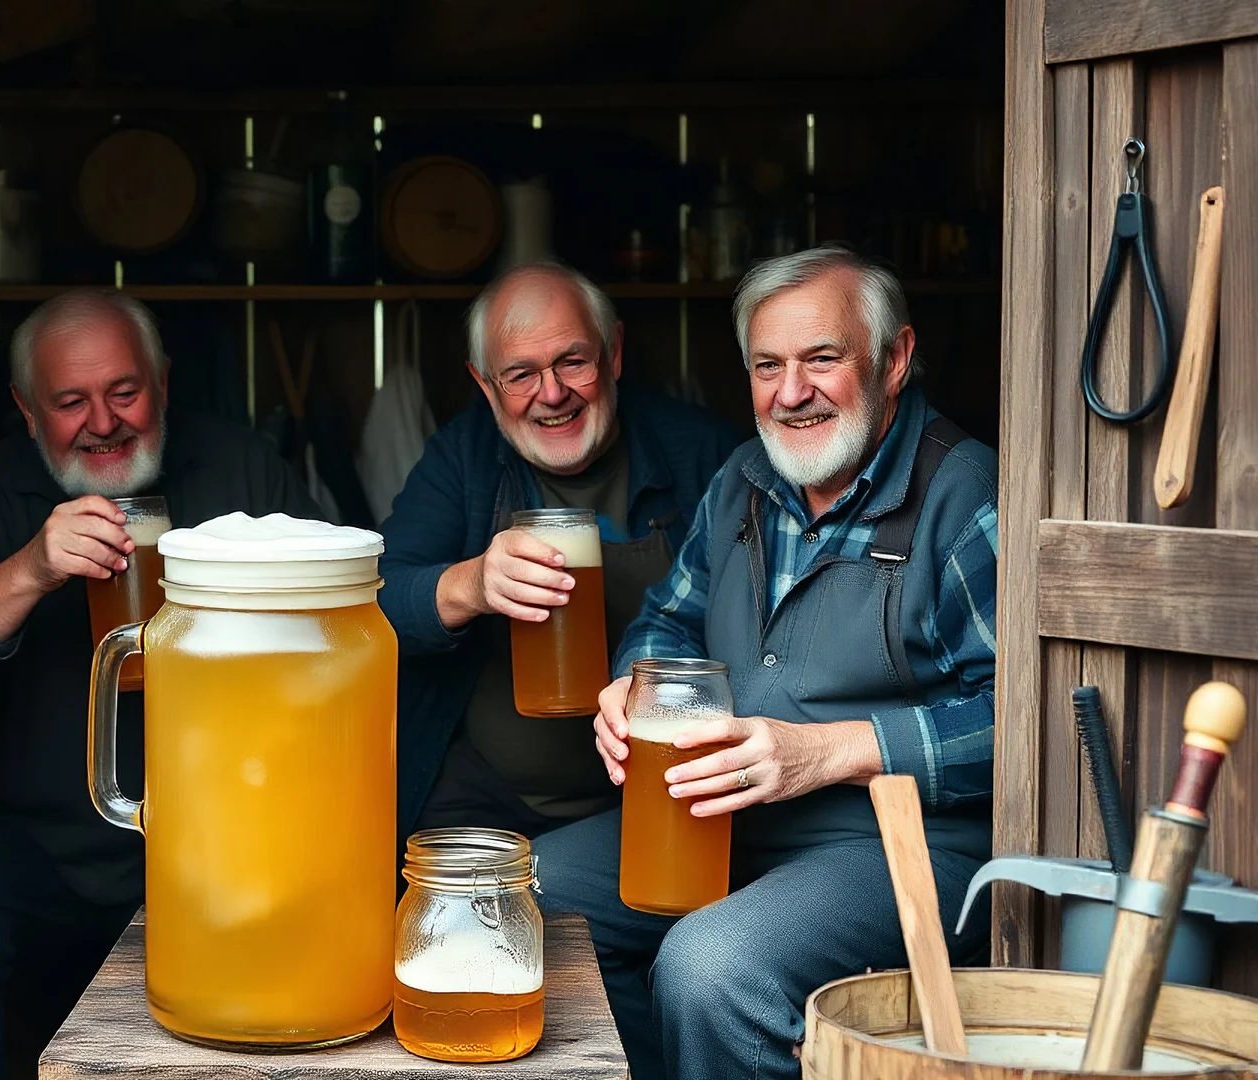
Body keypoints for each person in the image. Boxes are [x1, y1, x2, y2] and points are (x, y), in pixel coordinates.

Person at [532, 246, 999, 1080]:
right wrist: (633, 689)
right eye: (767, 365)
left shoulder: (964, 495)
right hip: (719, 817)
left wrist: (828, 751)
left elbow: (1024, 722)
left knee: (712, 968)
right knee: (528, 899)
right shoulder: (746, 480)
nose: (791, 393)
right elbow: (666, 622)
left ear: (893, 359)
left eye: (822, 359)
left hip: (896, 845)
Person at [0, 289, 318, 1078]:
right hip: (24, 837)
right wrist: (30, 570)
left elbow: (332, 635)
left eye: (124, 392)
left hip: (218, 835)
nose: (104, 422)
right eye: (71, 402)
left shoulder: (243, 469)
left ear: (164, 382)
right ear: (25, 408)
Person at [379, 262, 739, 840]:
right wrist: (471, 585)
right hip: (484, 796)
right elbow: (376, 602)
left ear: (613, 352)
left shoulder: (705, 454)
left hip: (661, 791)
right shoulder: (463, 458)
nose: (551, 394)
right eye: (520, 374)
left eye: (573, 361)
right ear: (484, 384)